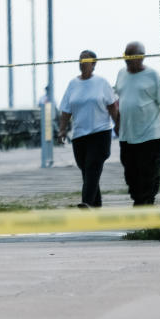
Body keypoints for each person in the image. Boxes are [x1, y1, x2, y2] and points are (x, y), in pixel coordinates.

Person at [58, 50, 118, 208]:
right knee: (86, 170)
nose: (82, 64)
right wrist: (62, 129)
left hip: (100, 133)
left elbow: (112, 107)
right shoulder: (73, 84)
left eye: (86, 61)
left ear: (94, 64)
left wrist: (118, 126)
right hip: (79, 136)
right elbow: (66, 110)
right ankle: (96, 205)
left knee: (92, 167)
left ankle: (86, 203)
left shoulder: (102, 83)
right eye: (80, 61)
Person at [113, 41, 160, 206]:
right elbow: (120, 100)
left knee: (147, 170)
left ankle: (146, 201)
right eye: (125, 56)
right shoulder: (121, 74)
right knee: (130, 171)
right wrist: (117, 121)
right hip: (127, 133)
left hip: (150, 132)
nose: (127, 60)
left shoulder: (152, 76)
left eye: (131, 57)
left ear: (141, 57)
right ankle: (138, 197)